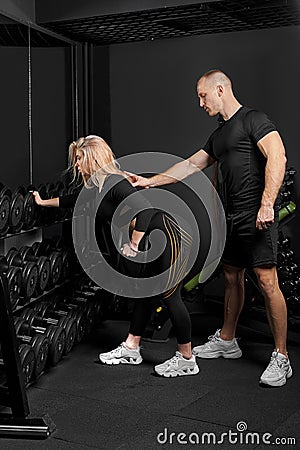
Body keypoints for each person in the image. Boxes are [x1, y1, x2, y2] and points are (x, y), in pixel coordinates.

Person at [130, 69, 292, 387]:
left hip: (256, 213)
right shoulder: (219, 135)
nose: (200, 102)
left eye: (202, 96)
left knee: (266, 280)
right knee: (232, 276)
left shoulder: (253, 119)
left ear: (220, 89)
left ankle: (282, 357)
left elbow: (278, 155)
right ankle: (228, 340)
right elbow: (191, 165)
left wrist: (267, 203)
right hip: (231, 216)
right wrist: (150, 181)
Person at [32, 135, 199, 378]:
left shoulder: (114, 182)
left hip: (165, 234)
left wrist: (133, 243)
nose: (76, 165)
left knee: (169, 295)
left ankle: (187, 359)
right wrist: (42, 202)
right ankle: (132, 348)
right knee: (144, 292)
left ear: (93, 157)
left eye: (79, 159)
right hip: (150, 237)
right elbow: (72, 200)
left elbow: (146, 210)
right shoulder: (96, 187)